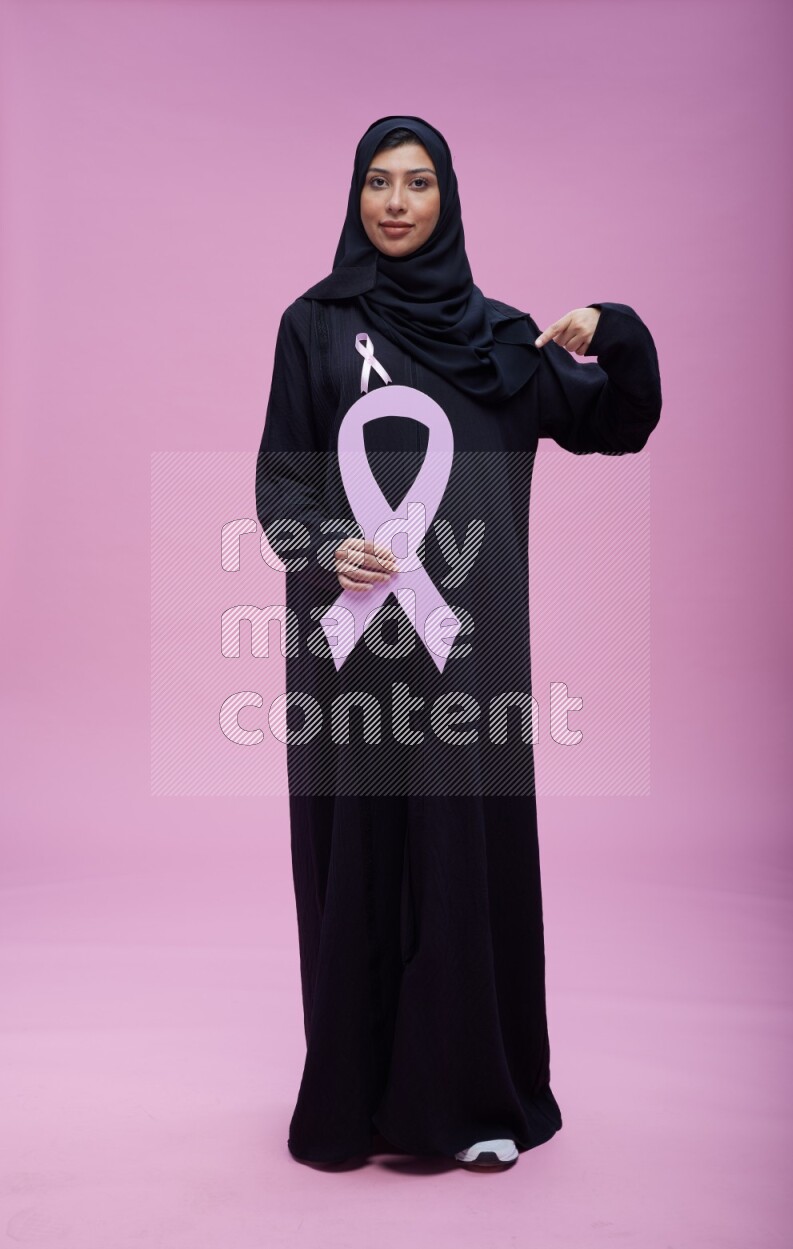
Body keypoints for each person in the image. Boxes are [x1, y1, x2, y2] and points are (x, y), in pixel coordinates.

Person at [255, 115, 662, 1169]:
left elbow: (617, 419)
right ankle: (353, 1103)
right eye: (377, 184)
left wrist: (605, 326)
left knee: (456, 858)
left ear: (447, 200)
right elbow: (282, 485)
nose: (394, 203)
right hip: (347, 657)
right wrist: (328, 541)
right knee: (359, 862)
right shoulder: (312, 326)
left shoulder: (498, 341)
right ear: (355, 198)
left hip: (464, 662)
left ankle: (469, 1100)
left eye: (417, 183)